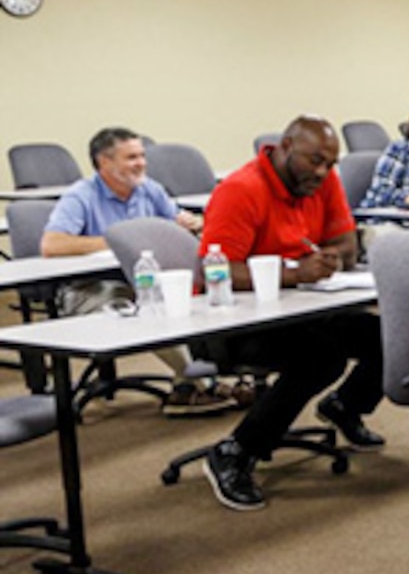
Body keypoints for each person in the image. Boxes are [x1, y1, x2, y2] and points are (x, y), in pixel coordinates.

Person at [196, 116, 387, 512]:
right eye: (313, 161)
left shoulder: (321, 181)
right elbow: (217, 270)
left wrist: (332, 256)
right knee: (320, 358)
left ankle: (344, 407)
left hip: (303, 308)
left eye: (330, 164)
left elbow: (345, 244)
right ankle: (235, 451)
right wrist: (295, 272)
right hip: (234, 321)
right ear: (284, 147)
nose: (322, 173)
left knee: (390, 335)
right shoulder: (241, 190)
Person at [40, 127, 238, 416]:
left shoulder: (149, 189)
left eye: (142, 155)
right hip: (91, 289)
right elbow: (52, 244)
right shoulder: (80, 196)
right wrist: (122, 240)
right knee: (148, 311)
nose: (141, 163)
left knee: (183, 299)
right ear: (104, 162)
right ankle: (202, 382)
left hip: (142, 280)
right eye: (131, 157)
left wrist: (188, 225)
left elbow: (175, 224)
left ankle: (186, 386)